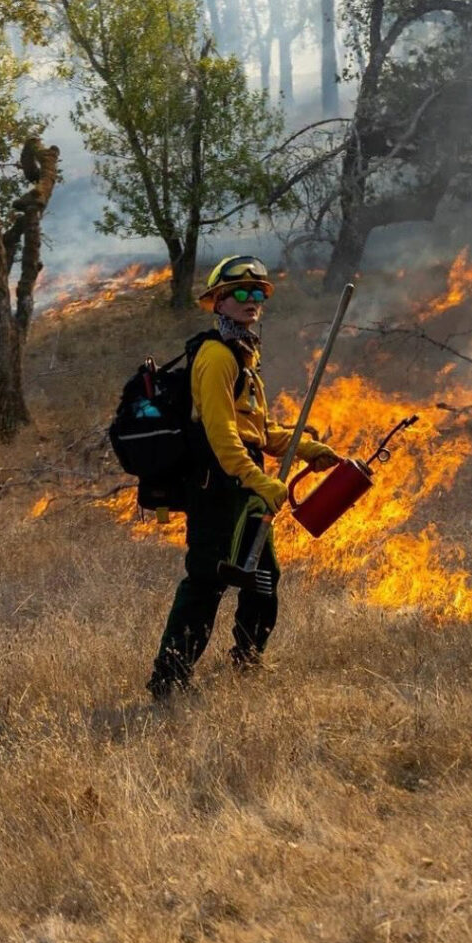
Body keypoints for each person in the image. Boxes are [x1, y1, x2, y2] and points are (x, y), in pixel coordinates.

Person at [147, 255, 340, 699]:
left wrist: (306, 447)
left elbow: (259, 430)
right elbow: (222, 437)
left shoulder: (245, 356)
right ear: (217, 303)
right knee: (206, 582)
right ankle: (169, 679)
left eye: (258, 294)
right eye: (240, 294)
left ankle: (247, 659)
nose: (251, 301)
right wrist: (262, 482)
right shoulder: (216, 358)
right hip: (218, 486)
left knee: (264, 576)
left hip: (246, 484)